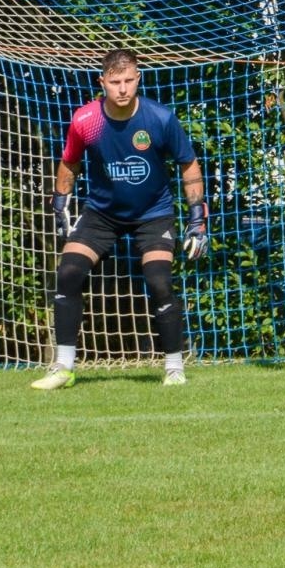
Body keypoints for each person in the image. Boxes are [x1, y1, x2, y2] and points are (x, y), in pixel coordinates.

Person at [31, 49, 210, 390]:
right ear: (102, 82)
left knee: (159, 281)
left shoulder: (160, 118)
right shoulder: (86, 120)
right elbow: (69, 162)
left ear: (138, 78)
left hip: (153, 214)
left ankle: (174, 369)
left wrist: (197, 220)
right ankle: (63, 368)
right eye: (115, 82)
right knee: (68, 273)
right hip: (102, 214)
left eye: (129, 80)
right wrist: (60, 205)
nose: (123, 88)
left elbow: (188, 164)